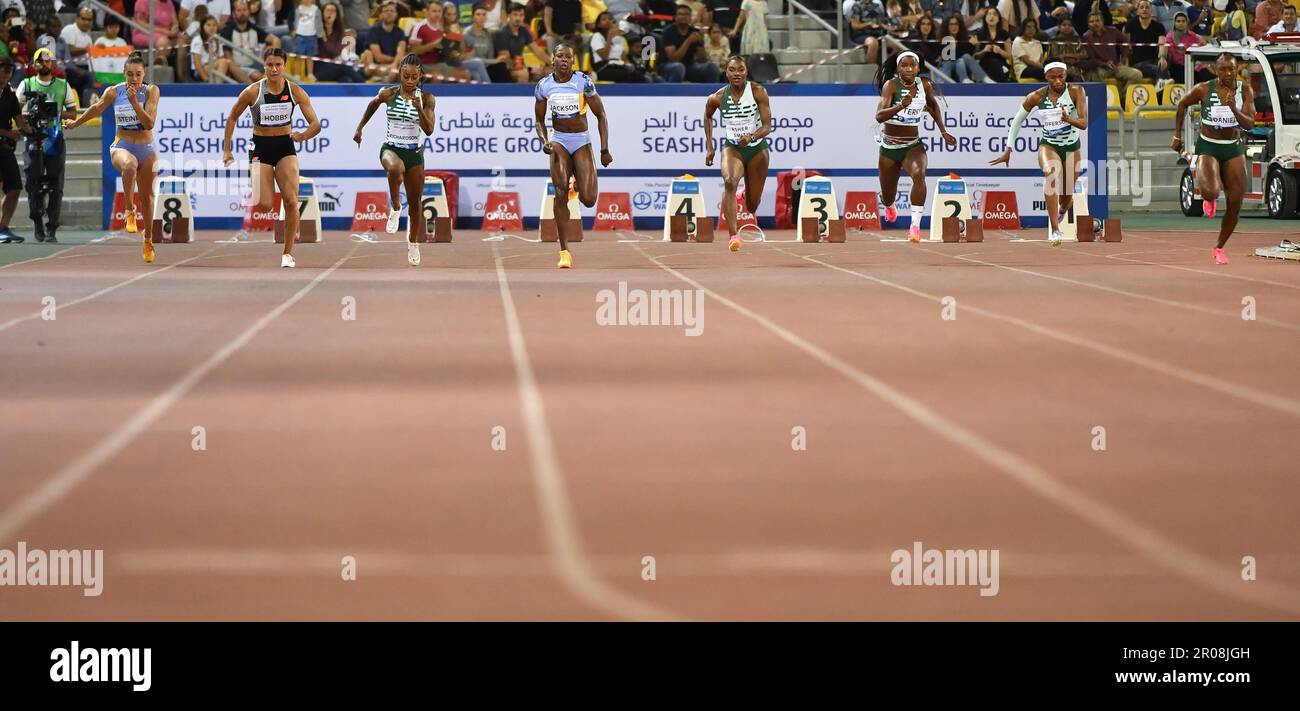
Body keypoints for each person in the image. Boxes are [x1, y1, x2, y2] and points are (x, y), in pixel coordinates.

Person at [221, 47, 323, 268]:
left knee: (291, 200)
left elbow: (316, 124)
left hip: (285, 146)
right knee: (264, 205)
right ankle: (264, 187)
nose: (274, 69)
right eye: (270, 65)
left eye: (278, 65)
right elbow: (232, 118)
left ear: (284, 66)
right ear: (264, 66)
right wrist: (226, 149)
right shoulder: (251, 92)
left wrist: (303, 135)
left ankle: (287, 253)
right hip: (260, 147)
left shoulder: (295, 91)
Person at [65, 52, 161, 263]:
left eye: (137, 74)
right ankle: (128, 209)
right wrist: (76, 123)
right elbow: (95, 109)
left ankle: (148, 241)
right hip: (122, 145)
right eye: (129, 74)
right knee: (129, 165)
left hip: (146, 147)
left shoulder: (151, 91)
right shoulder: (113, 92)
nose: (133, 79)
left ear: (144, 73)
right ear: (123, 74)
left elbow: (149, 123)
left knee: (147, 197)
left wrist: (134, 101)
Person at [533, 43, 611, 268]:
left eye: (568, 57)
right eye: (560, 56)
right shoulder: (543, 86)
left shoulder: (583, 82)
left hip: (581, 140)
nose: (564, 60)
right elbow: (539, 119)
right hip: (559, 140)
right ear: (553, 60)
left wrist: (604, 149)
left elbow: (601, 115)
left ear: (573, 62)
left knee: (588, 199)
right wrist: (544, 140)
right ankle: (564, 251)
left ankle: (576, 186)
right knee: (559, 193)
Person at [990, 62, 1087, 244]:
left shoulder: (1076, 91)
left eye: (1061, 76)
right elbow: (1016, 122)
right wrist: (1008, 149)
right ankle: (1055, 230)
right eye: (1053, 77)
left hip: (1072, 147)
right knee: (1050, 174)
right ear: (1046, 77)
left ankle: (1065, 207)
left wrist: (1067, 118)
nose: (1058, 81)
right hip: (1049, 146)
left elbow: (1083, 123)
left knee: (1066, 197)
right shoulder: (1036, 96)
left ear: (1066, 75)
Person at [353, 54, 435, 266]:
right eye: (406, 76)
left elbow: (429, 130)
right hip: (391, 147)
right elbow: (372, 105)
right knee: (395, 169)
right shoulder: (388, 94)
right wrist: (360, 127)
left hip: (414, 153)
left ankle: (413, 243)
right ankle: (396, 207)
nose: (409, 80)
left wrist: (419, 109)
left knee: (416, 203)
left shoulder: (427, 99)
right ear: (399, 74)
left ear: (420, 77)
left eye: (414, 77)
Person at [1172, 53, 1253, 264]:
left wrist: (1233, 108)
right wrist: (1177, 135)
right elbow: (1182, 104)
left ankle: (1219, 247)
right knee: (1211, 191)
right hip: (1208, 144)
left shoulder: (1244, 90)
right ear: (1215, 70)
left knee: (1235, 204)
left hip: (1232, 147)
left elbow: (1250, 124)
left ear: (1238, 70)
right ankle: (1209, 198)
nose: (1227, 73)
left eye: (1231, 69)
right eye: (1223, 69)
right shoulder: (1203, 89)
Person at [874, 51, 957, 242]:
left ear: (918, 68)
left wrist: (943, 131)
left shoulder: (924, 85)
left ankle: (915, 226)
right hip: (889, 147)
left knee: (919, 175)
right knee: (888, 194)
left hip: (913, 145)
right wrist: (899, 106)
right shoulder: (891, 85)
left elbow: (934, 106)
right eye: (904, 65)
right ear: (898, 68)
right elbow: (879, 116)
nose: (909, 69)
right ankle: (889, 205)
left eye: (912, 65)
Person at [704, 56, 771, 251]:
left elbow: (767, 126)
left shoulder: (758, 92)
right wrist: (710, 146)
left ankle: (744, 194)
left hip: (757, 149)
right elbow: (707, 116)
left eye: (740, 70)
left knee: (752, 205)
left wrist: (750, 137)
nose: (736, 74)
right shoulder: (717, 97)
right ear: (726, 72)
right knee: (729, 181)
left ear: (746, 72)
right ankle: (733, 236)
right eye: (732, 70)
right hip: (732, 148)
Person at [17, 47, 75, 243]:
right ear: (34, 64)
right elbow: (17, 112)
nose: (43, 63)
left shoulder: (63, 85)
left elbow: (73, 112)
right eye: (39, 61)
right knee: (33, 183)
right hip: (33, 138)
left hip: (55, 138)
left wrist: (55, 113)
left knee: (56, 184)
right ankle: (37, 223)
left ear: (53, 63)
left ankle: (52, 227)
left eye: (47, 60)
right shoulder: (26, 84)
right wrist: (30, 114)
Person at [223, 0, 283, 83]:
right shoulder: (227, 31)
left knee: (269, 51)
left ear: (249, 11)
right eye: (239, 10)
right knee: (256, 76)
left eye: (244, 10)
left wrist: (273, 61)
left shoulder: (254, 29)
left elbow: (276, 40)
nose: (242, 13)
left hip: (254, 64)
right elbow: (227, 56)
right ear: (233, 13)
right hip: (237, 67)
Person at [1080, 11, 1141, 89]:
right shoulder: (1086, 37)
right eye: (1092, 21)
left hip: (1116, 65)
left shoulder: (1113, 31)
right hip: (1100, 68)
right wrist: (1105, 64)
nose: (1095, 23)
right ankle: (1105, 98)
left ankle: (1121, 97)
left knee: (1137, 75)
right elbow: (1092, 59)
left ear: (1102, 22)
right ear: (1088, 24)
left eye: (1097, 20)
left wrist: (1122, 59)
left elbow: (1125, 41)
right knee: (1094, 76)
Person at [662, 4, 721, 82]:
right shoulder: (669, 31)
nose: (683, 16)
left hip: (690, 66)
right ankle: (673, 93)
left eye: (686, 14)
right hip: (669, 66)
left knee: (711, 68)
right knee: (679, 67)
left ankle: (710, 94)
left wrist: (701, 43)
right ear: (675, 17)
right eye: (680, 14)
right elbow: (673, 58)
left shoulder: (694, 32)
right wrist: (688, 41)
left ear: (690, 17)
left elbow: (702, 59)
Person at [495, 2, 549, 82]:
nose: (518, 18)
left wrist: (552, 64)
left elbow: (538, 51)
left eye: (521, 15)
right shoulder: (501, 33)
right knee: (523, 74)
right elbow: (506, 58)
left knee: (544, 73)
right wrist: (524, 68)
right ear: (508, 15)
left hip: (520, 66)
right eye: (515, 15)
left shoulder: (523, 31)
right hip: (506, 69)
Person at [0, 59, 23, 243]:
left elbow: (20, 120)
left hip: (5, 147)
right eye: (3, 70)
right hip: (4, 139)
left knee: (15, 187)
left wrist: (32, 128)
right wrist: (9, 132)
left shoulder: (9, 94)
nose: (6, 74)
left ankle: (3, 228)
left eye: (9, 71)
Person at [466, 3, 512, 82]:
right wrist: (494, 61)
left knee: (501, 66)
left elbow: (490, 58)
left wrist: (496, 61)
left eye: (484, 15)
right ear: (473, 17)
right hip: (473, 67)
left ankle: (505, 92)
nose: (481, 17)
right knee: (477, 72)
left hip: (486, 65)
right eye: (478, 14)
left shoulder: (487, 34)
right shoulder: (467, 34)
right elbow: (471, 60)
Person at [58, 6, 94, 105]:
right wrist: (87, 49)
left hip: (85, 67)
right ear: (76, 18)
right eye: (84, 19)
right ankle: (86, 105)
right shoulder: (69, 30)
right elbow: (69, 50)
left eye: (89, 20)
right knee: (89, 76)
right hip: (70, 67)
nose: (86, 22)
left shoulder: (88, 36)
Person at [1124, 0, 1167, 81]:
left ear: (1151, 11)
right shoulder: (1130, 25)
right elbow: (1124, 43)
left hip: (1154, 60)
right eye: (1142, 7)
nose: (1144, 9)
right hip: (1138, 63)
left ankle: (1159, 87)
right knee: (1160, 70)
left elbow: (1162, 43)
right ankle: (1161, 85)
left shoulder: (1159, 26)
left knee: (1166, 60)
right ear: (1137, 11)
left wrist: (1162, 57)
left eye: (1147, 7)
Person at [939, 14, 988, 82]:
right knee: (959, 61)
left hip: (962, 67)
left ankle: (984, 78)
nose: (954, 27)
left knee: (962, 59)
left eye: (956, 24)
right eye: (951, 24)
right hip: (948, 67)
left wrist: (975, 45)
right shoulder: (943, 39)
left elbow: (969, 56)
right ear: (947, 26)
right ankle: (964, 79)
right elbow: (948, 58)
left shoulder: (964, 39)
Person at [367, 1, 407, 82]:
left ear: (396, 14)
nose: (389, 13)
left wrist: (394, 64)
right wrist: (395, 61)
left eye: (392, 11)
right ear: (380, 14)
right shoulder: (373, 31)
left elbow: (401, 51)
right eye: (386, 11)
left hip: (395, 65)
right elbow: (378, 57)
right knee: (394, 73)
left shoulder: (400, 32)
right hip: (378, 67)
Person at [849, 0, 885, 65]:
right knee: (873, 43)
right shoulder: (857, 6)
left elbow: (881, 22)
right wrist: (867, 24)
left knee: (895, 44)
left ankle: (888, 68)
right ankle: (872, 71)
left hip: (878, 34)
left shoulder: (877, 6)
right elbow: (854, 25)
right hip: (862, 35)